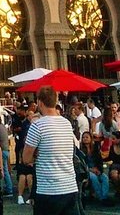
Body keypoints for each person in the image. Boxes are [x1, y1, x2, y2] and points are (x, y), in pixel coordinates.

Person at [21, 85, 78, 215]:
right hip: (69, 185)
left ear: (40, 102)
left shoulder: (37, 126)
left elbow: (26, 158)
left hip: (48, 189)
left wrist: (37, 153)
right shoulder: (66, 123)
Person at [12, 102, 34, 205]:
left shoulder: (31, 126)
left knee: (29, 177)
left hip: (32, 165)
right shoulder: (24, 124)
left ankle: (31, 196)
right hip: (25, 163)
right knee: (22, 176)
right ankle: (20, 196)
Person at [79, 131, 110, 204]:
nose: (85, 139)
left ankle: (105, 196)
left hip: (96, 169)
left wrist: (99, 170)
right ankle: (101, 198)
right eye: (83, 137)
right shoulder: (80, 151)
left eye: (87, 137)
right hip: (87, 170)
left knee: (105, 177)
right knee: (93, 177)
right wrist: (90, 169)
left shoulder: (95, 149)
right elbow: (81, 164)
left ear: (91, 138)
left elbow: (100, 161)